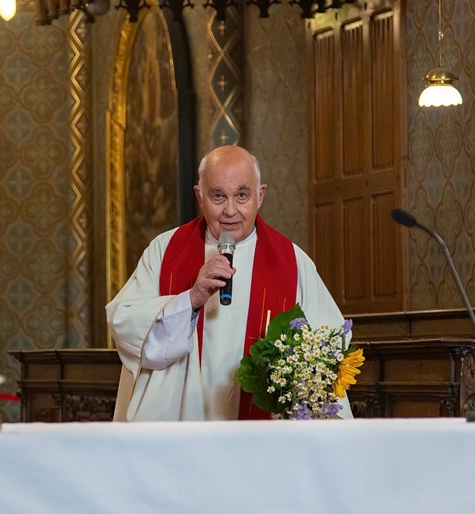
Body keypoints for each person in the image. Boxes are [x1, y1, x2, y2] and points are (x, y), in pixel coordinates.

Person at [107, 145, 354, 421]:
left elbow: (329, 344)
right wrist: (190, 299)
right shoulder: (165, 251)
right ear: (199, 196)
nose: (230, 210)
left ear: (260, 196)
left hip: (262, 436)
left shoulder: (293, 262)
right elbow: (124, 323)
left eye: (242, 195)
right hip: (181, 425)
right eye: (218, 196)